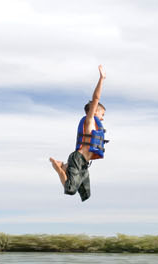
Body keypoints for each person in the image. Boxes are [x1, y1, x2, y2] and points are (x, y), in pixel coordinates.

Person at [48, 65, 109, 202]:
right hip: (78, 159)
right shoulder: (89, 121)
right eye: (102, 114)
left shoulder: (95, 126)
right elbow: (96, 98)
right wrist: (101, 79)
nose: (103, 118)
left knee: (86, 195)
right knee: (70, 190)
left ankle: (64, 166)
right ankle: (59, 168)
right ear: (94, 111)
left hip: (84, 164)